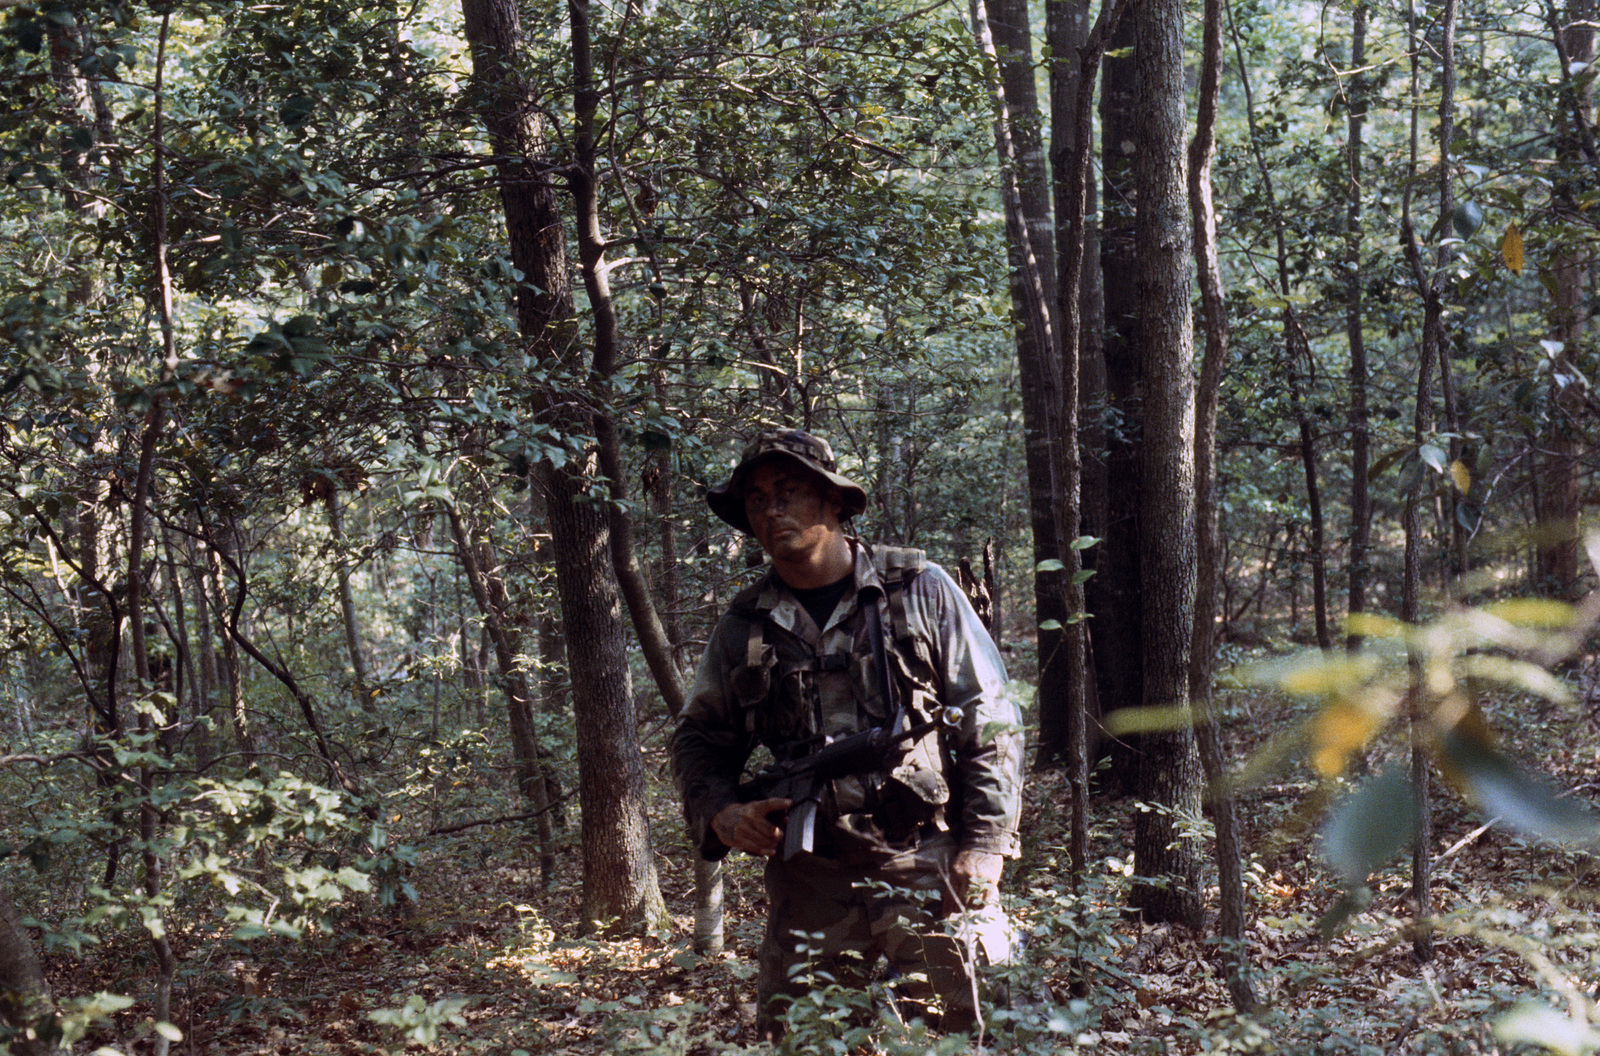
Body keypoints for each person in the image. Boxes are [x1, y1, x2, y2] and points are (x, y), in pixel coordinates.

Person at [671, 428, 1024, 1037]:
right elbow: (698, 738)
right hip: (810, 879)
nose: (771, 510)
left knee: (956, 1037)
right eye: (756, 499)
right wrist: (723, 813)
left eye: (789, 492)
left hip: (924, 860)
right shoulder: (746, 622)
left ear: (834, 501)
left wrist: (987, 842)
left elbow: (990, 715)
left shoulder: (917, 590)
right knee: (806, 1040)